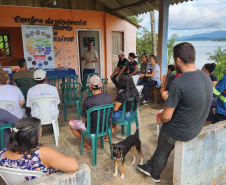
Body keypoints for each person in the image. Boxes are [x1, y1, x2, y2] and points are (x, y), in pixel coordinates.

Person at [137, 42, 212, 183]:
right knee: (163, 139)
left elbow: (166, 117)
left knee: (162, 148)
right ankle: (149, 165)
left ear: (178, 60)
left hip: (181, 130)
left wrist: (161, 119)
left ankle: (155, 174)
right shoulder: (206, 77)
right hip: (196, 126)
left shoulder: (179, 83)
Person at [0, 117, 78, 181]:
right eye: (40, 131)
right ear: (34, 136)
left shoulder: (2, 154)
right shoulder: (41, 153)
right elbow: (73, 166)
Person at [69, 75, 112, 150]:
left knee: (71, 123)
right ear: (101, 85)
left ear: (90, 87)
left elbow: (84, 120)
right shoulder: (108, 98)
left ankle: (87, 145)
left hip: (92, 128)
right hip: (106, 126)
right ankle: (106, 136)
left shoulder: (88, 101)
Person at [105, 73, 139, 141]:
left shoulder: (122, 94)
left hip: (124, 116)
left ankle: (109, 132)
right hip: (133, 115)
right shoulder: (135, 91)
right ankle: (113, 128)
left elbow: (115, 109)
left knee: (107, 113)